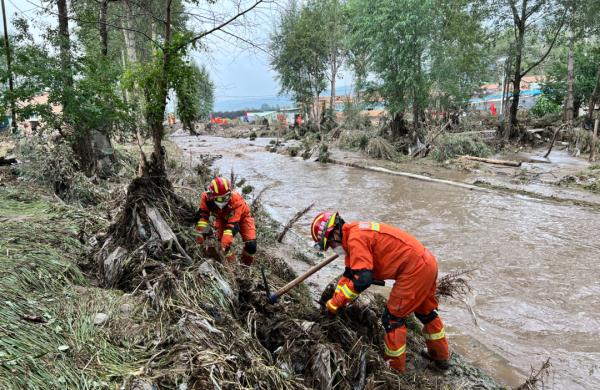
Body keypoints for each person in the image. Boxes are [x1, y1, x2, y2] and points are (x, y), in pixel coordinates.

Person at [310, 211, 449, 372]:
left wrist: (336, 304)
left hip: (414, 270)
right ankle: (441, 358)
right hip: (426, 263)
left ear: (335, 233)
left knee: (392, 318)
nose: (332, 249)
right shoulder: (353, 234)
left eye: (330, 245)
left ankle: (394, 369)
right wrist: (335, 300)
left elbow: (363, 280)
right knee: (425, 312)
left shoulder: (355, 240)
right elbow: (349, 274)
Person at [196, 177, 256, 265]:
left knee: (251, 246)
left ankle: (245, 266)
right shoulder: (206, 198)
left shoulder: (236, 201)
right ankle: (231, 265)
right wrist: (200, 241)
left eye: (227, 196)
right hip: (222, 218)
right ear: (212, 196)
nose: (224, 200)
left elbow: (230, 228)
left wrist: (222, 247)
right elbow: (202, 219)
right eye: (220, 199)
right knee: (223, 245)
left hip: (243, 218)